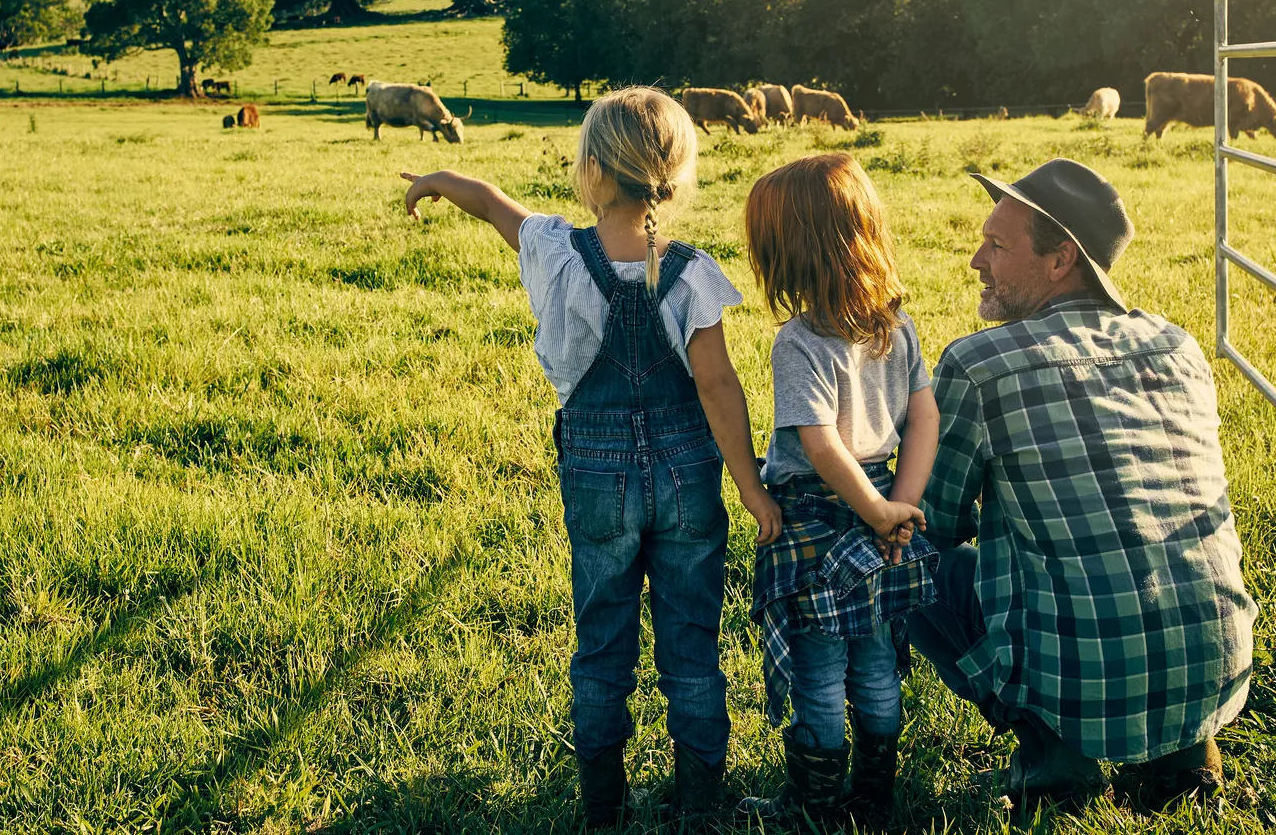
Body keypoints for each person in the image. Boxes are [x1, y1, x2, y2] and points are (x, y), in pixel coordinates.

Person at [398, 87, 781, 827]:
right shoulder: (692, 270)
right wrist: (752, 487)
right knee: (692, 646)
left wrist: (437, 182)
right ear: (674, 172)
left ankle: (603, 805)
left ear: (593, 168)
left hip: (596, 473)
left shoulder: (553, 249)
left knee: (601, 639)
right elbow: (717, 384)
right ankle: (699, 803)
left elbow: (491, 204)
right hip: (687, 473)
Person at [907, 158, 1257, 815]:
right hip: (1215, 671)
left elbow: (931, 521)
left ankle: (1051, 754)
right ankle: (1180, 756)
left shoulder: (979, 363)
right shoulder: (1177, 346)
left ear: (1060, 258)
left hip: (1082, 683)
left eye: (996, 245)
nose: (975, 260)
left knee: (896, 551)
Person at [735, 153, 939, 828]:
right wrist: (896, 507)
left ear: (787, 254)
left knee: (818, 670)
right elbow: (922, 417)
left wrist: (878, 510)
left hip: (819, 519)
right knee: (877, 658)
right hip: (882, 506)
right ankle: (874, 798)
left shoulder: (798, 341)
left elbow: (820, 448)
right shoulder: (896, 322)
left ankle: (815, 805)